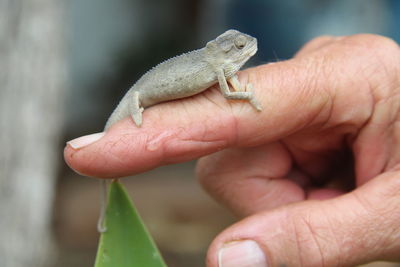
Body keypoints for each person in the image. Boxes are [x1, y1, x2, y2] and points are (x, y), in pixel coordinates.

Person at [64, 34, 400, 267]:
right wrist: (251, 96)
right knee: (115, 147)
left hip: (147, 94)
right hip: (140, 96)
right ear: (224, 51)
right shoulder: (219, 68)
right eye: (237, 46)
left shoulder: (220, 66)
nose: (246, 48)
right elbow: (231, 95)